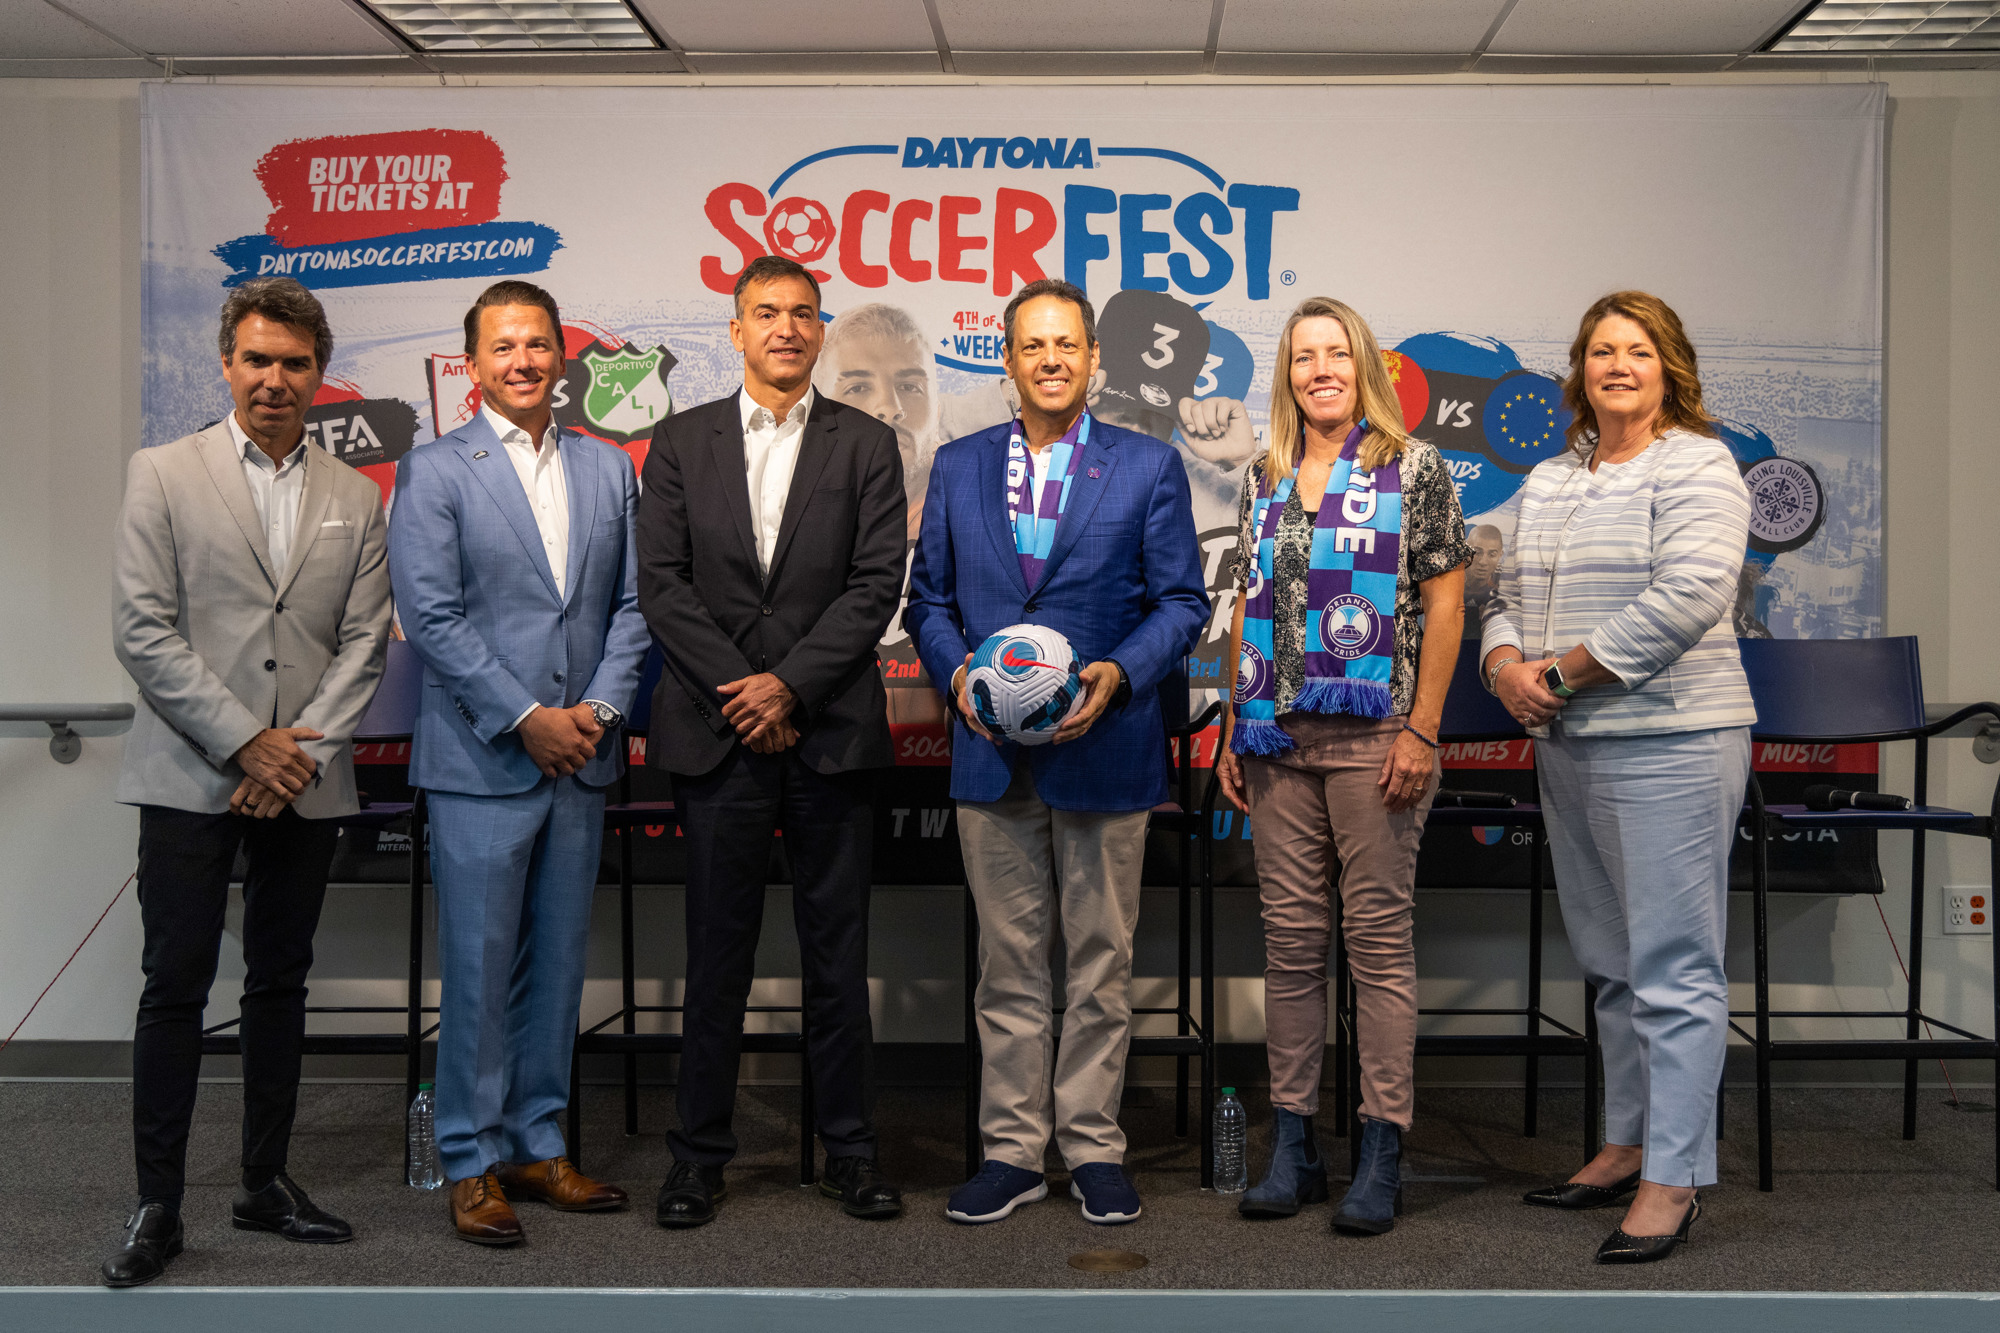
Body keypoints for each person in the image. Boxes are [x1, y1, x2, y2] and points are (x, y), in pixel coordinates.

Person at [105, 277, 393, 1286]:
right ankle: (157, 1203)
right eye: (258, 359)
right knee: (173, 986)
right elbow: (142, 626)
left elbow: (363, 645)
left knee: (280, 981)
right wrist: (245, 742)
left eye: (296, 362)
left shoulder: (356, 497)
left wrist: (297, 753)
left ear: (321, 373)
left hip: (303, 782)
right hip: (192, 772)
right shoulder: (162, 472)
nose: (276, 378)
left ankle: (264, 1180)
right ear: (227, 364)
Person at [906, 277, 1209, 1227]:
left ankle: (1092, 1146)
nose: (1049, 360)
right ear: (1006, 361)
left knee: (1100, 959)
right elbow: (929, 603)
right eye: (1032, 345)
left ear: (1094, 362)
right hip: (990, 755)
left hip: (1106, 748)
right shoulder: (955, 468)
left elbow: (1183, 604)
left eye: (1066, 346)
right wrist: (957, 674)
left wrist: (1119, 673)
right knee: (1009, 963)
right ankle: (1011, 1150)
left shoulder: (1149, 467)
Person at [1482, 290, 1754, 1265]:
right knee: (1608, 960)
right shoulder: (1552, 475)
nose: (1616, 365)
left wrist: (1554, 674)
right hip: (1569, 743)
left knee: (1673, 966)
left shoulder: (1698, 464)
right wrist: (1504, 665)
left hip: (1672, 739)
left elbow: (1688, 595)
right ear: (1578, 369)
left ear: (1666, 366)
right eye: (1600, 350)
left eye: (1635, 350)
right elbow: (1502, 593)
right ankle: (1626, 1141)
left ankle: (1673, 1178)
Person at [637, 256, 908, 1227]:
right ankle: (696, 1158)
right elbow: (662, 585)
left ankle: (850, 1153)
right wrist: (742, 692)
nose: (785, 328)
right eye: (766, 313)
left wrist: (787, 684)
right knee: (716, 956)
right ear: (736, 330)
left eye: (801, 313)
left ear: (819, 328)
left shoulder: (867, 442)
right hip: (718, 738)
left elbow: (875, 584)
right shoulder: (675, 442)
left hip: (827, 733)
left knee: (838, 960)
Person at [389, 280, 649, 1245]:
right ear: (473, 364)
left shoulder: (609, 467)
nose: (524, 361)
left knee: (556, 970)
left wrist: (597, 711)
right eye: (503, 347)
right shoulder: (434, 470)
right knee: (479, 963)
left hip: (581, 755)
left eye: (538, 343)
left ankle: (538, 1145)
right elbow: (434, 618)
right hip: (482, 760)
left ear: (562, 356)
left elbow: (633, 607)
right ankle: (467, 1156)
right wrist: (528, 715)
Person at [1213, 297, 1469, 1236]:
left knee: (1377, 949)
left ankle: (1382, 1147)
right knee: (1288, 948)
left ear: (1363, 364)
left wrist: (1423, 730)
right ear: (1286, 374)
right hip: (1280, 739)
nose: (1319, 369)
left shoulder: (1416, 468)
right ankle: (1294, 1145)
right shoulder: (1266, 474)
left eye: (1335, 353)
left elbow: (1446, 609)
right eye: (1301, 356)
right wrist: (1240, 720)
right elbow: (1251, 600)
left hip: (1380, 739)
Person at [814, 302, 936, 539]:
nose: (890, 409)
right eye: (857, 388)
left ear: (938, 410)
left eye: (910, 387)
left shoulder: (976, 503)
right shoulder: (792, 501)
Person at [1462, 523, 1504, 636]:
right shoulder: (1451, 573)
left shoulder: (1505, 579)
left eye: (1492, 554)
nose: (1483, 562)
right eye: (1477, 552)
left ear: (1500, 555)